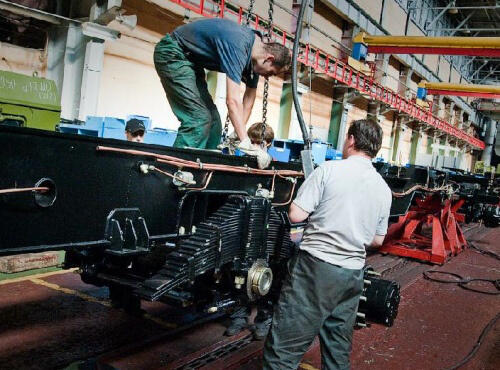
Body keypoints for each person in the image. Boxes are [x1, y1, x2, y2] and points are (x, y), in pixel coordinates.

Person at [263, 119, 392, 369]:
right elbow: (377, 240)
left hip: (315, 270)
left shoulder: (329, 170)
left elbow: (296, 215)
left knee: (283, 351)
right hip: (352, 274)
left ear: (352, 140)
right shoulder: (383, 189)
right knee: (337, 350)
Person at [153, 18, 290, 168]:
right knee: (199, 119)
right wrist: (246, 143)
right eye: (270, 73)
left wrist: (238, 134)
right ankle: (172, 171)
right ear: (269, 59)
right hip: (174, 53)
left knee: (214, 123)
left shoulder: (255, 60)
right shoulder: (238, 46)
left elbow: (249, 100)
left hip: (191, 62)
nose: (267, 77)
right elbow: (232, 101)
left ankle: (204, 172)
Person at [224, 122, 275, 340]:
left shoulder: (273, 169)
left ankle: (264, 319)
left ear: (269, 144)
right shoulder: (241, 167)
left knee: (270, 278)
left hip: (267, 236)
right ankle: (238, 316)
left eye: (259, 143)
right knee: (237, 274)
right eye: (251, 142)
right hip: (243, 235)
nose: (254, 147)